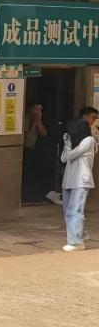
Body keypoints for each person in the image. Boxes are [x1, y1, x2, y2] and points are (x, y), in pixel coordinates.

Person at [60, 106, 98, 252]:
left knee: (74, 211)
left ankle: (76, 242)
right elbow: (64, 158)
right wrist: (67, 142)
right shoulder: (74, 142)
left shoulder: (89, 140)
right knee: (68, 212)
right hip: (69, 180)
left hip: (81, 180)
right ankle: (81, 234)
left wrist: (68, 144)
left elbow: (71, 155)